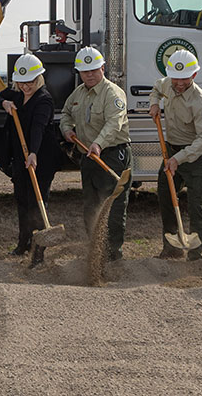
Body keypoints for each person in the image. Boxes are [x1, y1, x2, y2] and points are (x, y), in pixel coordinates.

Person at [59, 46, 132, 261]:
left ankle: (113, 255)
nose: (89, 75)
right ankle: (95, 250)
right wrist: (67, 129)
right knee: (91, 205)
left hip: (111, 155)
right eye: (84, 71)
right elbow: (66, 114)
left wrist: (99, 144)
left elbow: (114, 123)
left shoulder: (113, 93)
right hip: (89, 157)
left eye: (93, 70)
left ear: (103, 68)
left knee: (113, 206)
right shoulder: (78, 93)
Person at [0, 53, 58, 266]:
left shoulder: (44, 99)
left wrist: (33, 153)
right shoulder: (17, 95)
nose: (26, 87)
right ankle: (23, 243)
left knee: (36, 202)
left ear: (38, 78)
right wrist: (4, 103)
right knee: (21, 199)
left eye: (30, 82)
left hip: (41, 157)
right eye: (21, 82)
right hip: (21, 156)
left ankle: (39, 252)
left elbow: (38, 128)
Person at [150, 49, 202, 261]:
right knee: (166, 196)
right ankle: (171, 248)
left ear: (194, 76)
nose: (178, 83)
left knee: (196, 203)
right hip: (171, 150)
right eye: (175, 78)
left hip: (195, 155)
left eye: (184, 79)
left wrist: (179, 159)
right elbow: (156, 88)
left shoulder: (201, 103)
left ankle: (196, 254)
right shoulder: (166, 83)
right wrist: (154, 103)